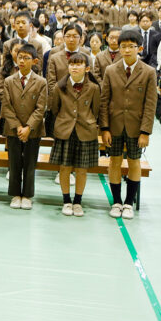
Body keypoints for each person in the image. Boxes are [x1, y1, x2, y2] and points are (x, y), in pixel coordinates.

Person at [100, 30, 157, 220]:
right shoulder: (110, 70)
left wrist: (145, 131)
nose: (125, 50)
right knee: (114, 161)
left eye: (130, 46)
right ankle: (116, 201)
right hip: (114, 125)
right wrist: (105, 128)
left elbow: (150, 104)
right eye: (122, 46)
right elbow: (104, 100)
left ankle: (129, 203)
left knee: (134, 162)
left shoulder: (149, 72)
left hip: (136, 126)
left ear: (139, 48)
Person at [48, 53, 100, 217]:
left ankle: (77, 202)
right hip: (65, 131)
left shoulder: (93, 88)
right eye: (72, 64)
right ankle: (66, 201)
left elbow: (96, 110)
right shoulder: (59, 86)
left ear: (87, 68)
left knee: (82, 169)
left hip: (86, 131)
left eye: (79, 64)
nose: (75, 67)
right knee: (64, 168)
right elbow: (54, 109)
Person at [0, 43, 46, 210]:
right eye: (20, 57)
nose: (23, 61)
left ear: (34, 61)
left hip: (33, 130)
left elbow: (41, 108)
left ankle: (27, 195)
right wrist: (18, 126)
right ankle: (15, 194)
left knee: (29, 162)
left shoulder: (41, 82)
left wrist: (28, 127)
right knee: (14, 162)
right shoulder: (9, 81)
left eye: (27, 58)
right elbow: (6, 106)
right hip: (13, 129)